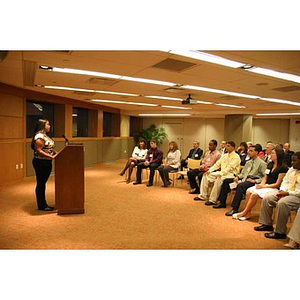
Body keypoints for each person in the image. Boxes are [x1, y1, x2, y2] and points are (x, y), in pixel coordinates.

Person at [254, 151, 300, 239]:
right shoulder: (292, 169)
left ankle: (280, 232)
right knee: (268, 198)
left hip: (296, 196)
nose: (292, 163)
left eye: (295, 161)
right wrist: (282, 191)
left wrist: (287, 193)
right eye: (291, 161)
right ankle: (266, 224)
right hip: (285, 192)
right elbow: (285, 181)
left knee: (283, 203)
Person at [231, 148, 288, 220]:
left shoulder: (283, 168)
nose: (271, 155)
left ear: (278, 155)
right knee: (248, 191)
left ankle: (244, 212)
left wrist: (263, 186)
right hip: (266, 185)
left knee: (255, 194)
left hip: (274, 188)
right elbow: (265, 177)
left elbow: (278, 184)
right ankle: (248, 214)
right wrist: (261, 185)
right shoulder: (270, 164)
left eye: (273, 153)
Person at [213, 144, 266, 213]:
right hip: (244, 179)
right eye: (248, 150)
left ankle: (235, 208)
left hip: (253, 181)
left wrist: (254, 181)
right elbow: (243, 174)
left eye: (251, 151)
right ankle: (222, 202)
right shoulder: (248, 162)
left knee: (240, 186)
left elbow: (264, 177)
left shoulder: (262, 163)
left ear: (256, 152)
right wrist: (237, 177)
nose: (248, 152)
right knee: (226, 181)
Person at [31, 119, 58, 211]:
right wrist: (52, 157)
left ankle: (43, 203)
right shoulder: (39, 136)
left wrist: (55, 153)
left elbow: (48, 148)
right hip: (41, 162)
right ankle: (42, 205)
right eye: (48, 124)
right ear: (43, 125)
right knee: (41, 184)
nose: (49, 126)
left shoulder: (46, 136)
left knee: (42, 183)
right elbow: (39, 150)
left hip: (46, 162)